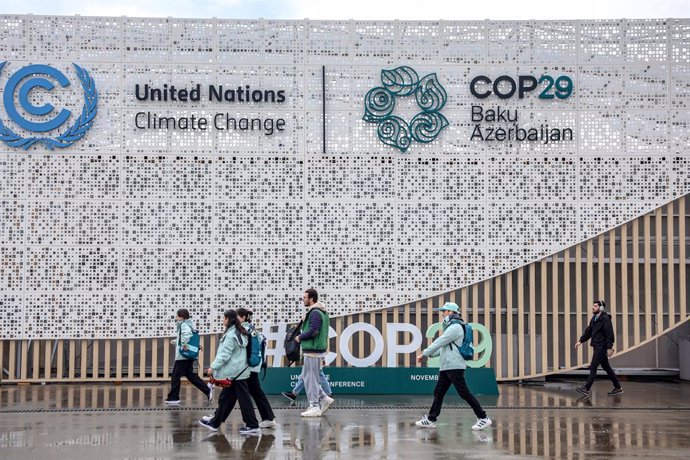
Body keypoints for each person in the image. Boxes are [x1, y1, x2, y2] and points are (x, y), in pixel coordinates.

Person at [415, 302, 492, 430]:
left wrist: (424, 353)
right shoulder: (451, 327)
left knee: (464, 393)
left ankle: (483, 418)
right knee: (438, 392)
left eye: (444, 311)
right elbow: (445, 348)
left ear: (451, 312)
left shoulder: (455, 327)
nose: (442, 314)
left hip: (454, 366)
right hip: (447, 367)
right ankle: (431, 419)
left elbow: (440, 342)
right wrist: (430, 355)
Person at [198, 309, 260, 435]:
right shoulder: (239, 332)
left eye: (224, 318)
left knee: (243, 400)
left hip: (235, 373)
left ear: (229, 320)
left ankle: (252, 425)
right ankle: (215, 422)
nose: (222, 320)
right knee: (227, 398)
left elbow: (225, 355)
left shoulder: (232, 335)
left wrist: (213, 367)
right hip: (238, 372)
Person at [294, 288, 334, 417]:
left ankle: (314, 406)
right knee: (307, 377)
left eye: (305, 297)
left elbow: (314, 331)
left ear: (311, 298)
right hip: (314, 351)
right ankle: (324, 398)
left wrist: (300, 337)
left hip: (313, 351)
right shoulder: (319, 312)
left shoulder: (315, 312)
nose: (303, 299)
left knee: (311, 379)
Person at [238, 307, 277, 429]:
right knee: (255, 392)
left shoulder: (243, 330)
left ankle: (266, 418)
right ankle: (268, 418)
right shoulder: (252, 329)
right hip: (252, 366)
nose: (235, 319)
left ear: (243, 317)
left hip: (247, 367)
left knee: (254, 392)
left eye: (237, 317)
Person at [575, 300, 623, 396]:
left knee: (593, 366)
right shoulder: (594, 319)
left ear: (601, 308)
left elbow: (609, 334)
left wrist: (609, 347)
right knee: (607, 368)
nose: (593, 307)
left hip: (602, 346)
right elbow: (588, 331)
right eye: (593, 306)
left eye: (595, 306)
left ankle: (586, 388)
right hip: (597, 345)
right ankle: (618, 387)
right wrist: (580, 341)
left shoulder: (605, 319)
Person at [165, 308, 213, 405]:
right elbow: (185, 337)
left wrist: (183, 345)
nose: (176, 318)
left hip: (182, 356)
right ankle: (207, 390)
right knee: (190, 376)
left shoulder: (183, 324)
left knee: (175, 376)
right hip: (187, 355)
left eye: (177, 316)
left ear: (181, 316)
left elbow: (187, 335)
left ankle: (174, 398)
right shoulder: (188, 324)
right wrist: (176, 342)